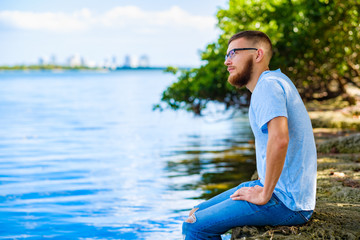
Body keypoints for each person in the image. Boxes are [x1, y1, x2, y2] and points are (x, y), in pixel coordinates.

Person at [182, 30, 317, 240]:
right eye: (226, 55)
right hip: (280, 191)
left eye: (234, 53)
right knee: (196, 213)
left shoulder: (267, 86)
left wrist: (264, 194)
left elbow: (280, 139)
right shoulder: (273, 82)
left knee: (195, 227)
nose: (227, 61)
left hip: (287, 202)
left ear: (258, 55)